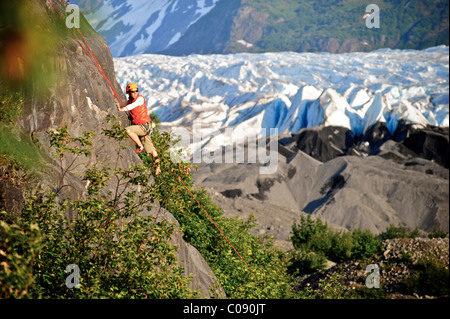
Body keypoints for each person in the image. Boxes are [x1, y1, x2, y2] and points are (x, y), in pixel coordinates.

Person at [116, 83, 161, 175]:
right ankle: (158, 168)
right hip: (141, 127)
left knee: (128, 130)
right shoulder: (129, 102)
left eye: (136, 91)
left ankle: (140, 147)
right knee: (152, 151)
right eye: (133, 91)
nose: (135, 93)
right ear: (128, 93)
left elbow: (132, 106)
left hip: (145, 126)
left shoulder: (140, 99)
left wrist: (121, 109)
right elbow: (129, 107)